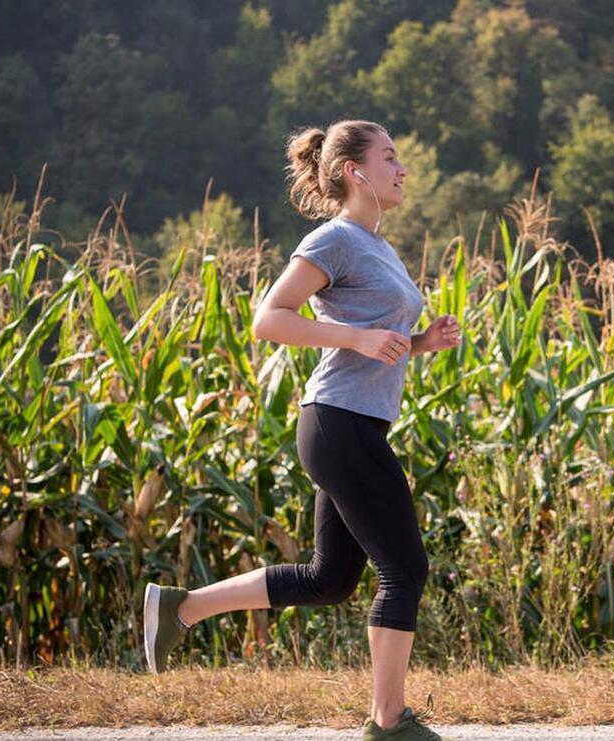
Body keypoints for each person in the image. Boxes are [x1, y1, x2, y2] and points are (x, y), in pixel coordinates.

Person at [141, 119, 462, 741]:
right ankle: (388, 722)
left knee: (330, 578)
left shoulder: (377, 244)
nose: (402, 169)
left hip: (353, 424)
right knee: (404, 569)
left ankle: (183, 606)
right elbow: (270, 319)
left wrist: (421, 342)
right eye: (390, 157)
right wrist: (359, 336)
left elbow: (372, 342)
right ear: (354, 171)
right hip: (339, 424)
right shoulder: (335, 239)